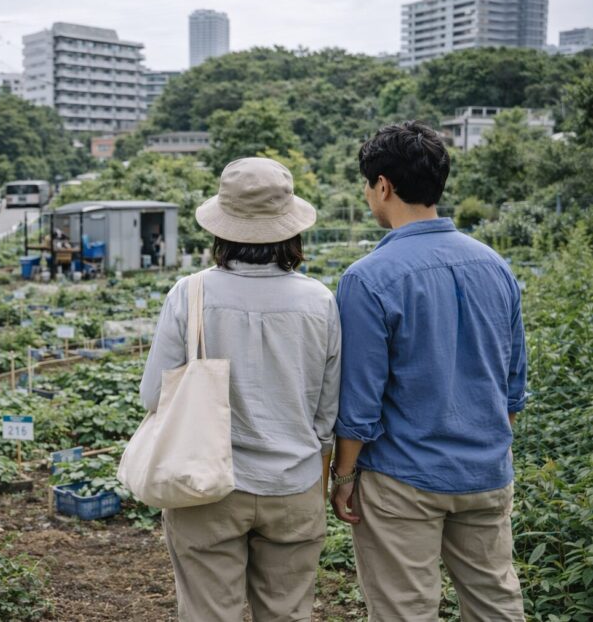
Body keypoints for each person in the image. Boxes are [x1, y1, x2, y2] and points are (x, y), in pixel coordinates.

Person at [330, 121, 526, 621]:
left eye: (367, 185)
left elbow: (360, 401)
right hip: (484, 470)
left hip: (403, 477)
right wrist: (489, 447)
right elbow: (512, 384)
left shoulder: (368, 279)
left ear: (383, 186)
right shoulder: (495, 265)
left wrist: (344, 474)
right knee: (496, 604)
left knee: (405, 611)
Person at [141, 157, 340, 621]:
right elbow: (328, 414)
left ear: (221, 229)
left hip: (205, 484)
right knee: (288, 613)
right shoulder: (320, 301)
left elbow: (153, 397)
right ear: (291, 229)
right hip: (294, 484)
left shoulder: (189, 294)